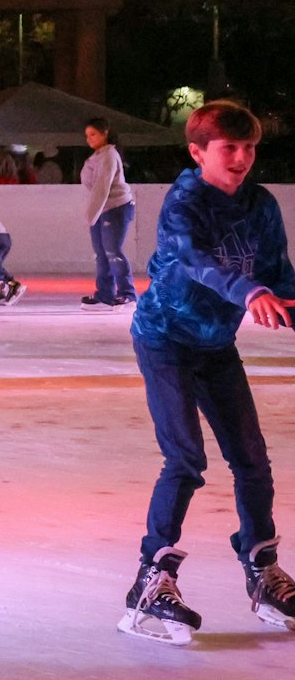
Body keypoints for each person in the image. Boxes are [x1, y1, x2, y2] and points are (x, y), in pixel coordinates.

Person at [118, 99, 295, 644]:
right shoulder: (184, 202)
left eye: (249, 148)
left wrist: (283, 299)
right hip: (165, 342)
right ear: (197, 152)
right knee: (186, 458)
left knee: (251, 459)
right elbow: (196, 260)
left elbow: (278, 272)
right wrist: (251, 293)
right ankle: (152, 582)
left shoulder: (261, 205)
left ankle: (263, 571)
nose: (241, 158)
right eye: (229, 148)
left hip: (216, 345)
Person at [82, 117, 136, 308]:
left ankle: (127, 293)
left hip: (116, 208)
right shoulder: (97, 156)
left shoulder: (109, 155)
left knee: (113, 251)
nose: (89, 139)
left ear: (105, 133)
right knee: (101, 253)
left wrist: (91, 214)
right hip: (102, 210)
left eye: (93, 134)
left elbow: (101, 187)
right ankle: (105, 294)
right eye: (87, 136)